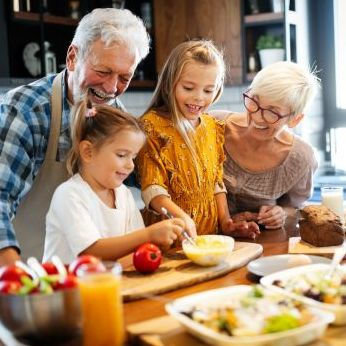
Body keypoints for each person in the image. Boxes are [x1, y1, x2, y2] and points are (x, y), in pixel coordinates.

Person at [0, 8, 150, 264]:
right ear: (72, 57)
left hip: (91, 278)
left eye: (125, 77)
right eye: (103, 71)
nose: (112, 89)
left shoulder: (115, 116)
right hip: (29, 271)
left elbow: (145, 177)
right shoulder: (26, 111)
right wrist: (12, 273)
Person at [136, 40, 259, 239]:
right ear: (170, 83)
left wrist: (226, 222)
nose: (199, 98)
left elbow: (215, 183)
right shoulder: (151, 126)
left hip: (210, 237)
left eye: (208, 90)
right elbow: (153, 191)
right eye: (188, 88)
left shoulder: (212, 127)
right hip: (171, 240)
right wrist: (183, 218)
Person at [43, 100, 184, 263]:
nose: (131, 165)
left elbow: (135, 250)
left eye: (133, 157)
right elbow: (90, 253)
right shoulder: (69, 194)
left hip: (110, 284)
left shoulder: (123, 194)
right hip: (68, 287)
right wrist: (149, 235)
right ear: (88, 151)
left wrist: (159, 244)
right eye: (122, 155)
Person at [212, 61, 319, 229]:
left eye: (272, 111)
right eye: (254, 101)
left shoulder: (301, 158)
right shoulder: (212, 125)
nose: (257, 117)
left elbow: (296, 208)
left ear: (295, 119)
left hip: (263, 246)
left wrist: (281, 213)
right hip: (203, 242)